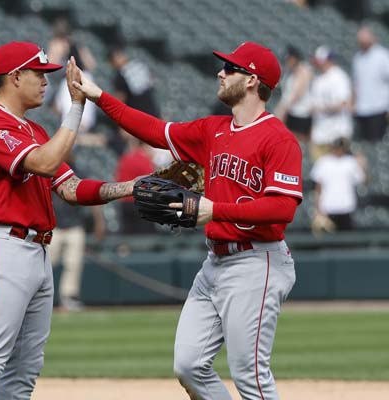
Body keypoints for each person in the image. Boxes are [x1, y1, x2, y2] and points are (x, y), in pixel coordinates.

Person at [73, 41, 303, 400]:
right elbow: (152, 130)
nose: (221, 73)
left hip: (258, 262)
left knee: (250, 376)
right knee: (189, 365)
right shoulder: (212, 130)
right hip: (216, 261)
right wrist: (99, 95)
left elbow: (282, 209)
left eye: (230, 69)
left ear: (252, 81)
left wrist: (215, 210)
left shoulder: (279, 139)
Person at [0, 41, 138, 400]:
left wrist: (131, 186)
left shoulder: (36, 132)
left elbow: (70, 188)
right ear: (14, 76)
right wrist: (77, 108)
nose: (45, 82)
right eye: (38, 74)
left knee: (23, 372)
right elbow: (44, 164)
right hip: (2, 248)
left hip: (36, 252)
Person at [48, 160, 106, 312]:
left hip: (74, 225)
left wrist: (99, 222)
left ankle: (69, 298)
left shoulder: (78, 169)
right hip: (54, 226)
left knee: (73, 264)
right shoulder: (48, 167)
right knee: (45, 264)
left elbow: (91, 193)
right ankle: (34, 296)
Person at [310, 137, 367, 232]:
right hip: (328, 207)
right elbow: (318, 187)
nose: (338, 150)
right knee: (328, 241)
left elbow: (363, 181)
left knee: (347, 240)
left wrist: (363, 166)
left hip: (346, 207)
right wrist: (318, 208)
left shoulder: (350, 161)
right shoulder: (323, 161)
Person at [309, 45, 352, 161]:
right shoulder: (318, 79)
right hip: (320, 134)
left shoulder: (339, 77)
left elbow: (343, 104)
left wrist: (321, 108)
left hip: (336, 133)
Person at [352, 25, 389, 142]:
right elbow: (356, 84)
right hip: (361, 109)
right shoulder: (358, 58)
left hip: (379, 108)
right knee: (363, 144)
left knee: (376, 143)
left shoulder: (382, 55)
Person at [115, 132, 157, 234]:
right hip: (141, 202)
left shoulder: (125, 158)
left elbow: (117, 178)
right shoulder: (145, 161)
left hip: (125, 201)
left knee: (127, 234)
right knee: (144, 235)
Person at [274, 45, 314, 143]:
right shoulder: (290, 72)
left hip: (300, 113)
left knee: (297, 141)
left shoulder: (304, 70)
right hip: (291, 111)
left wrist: (283, 109)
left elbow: (298, 93)